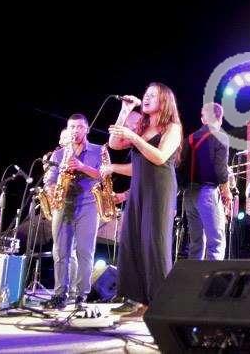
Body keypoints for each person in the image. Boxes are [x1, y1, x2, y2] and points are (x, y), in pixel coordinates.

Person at [105, 82, 182, 321]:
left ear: (164, 101)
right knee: (132, 240)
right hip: (139, 189)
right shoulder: (141, 126)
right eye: (145, 95)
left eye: (152, 95)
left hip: (160, 189)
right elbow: (114, 144)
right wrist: (125, 110)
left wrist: (133, 138)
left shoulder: (173, 128)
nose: (146, 98)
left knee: (154, 243)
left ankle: (159, 302)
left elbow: (159, 157)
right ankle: (137, 299)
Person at [42, 114, 104, 310]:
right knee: (61, 252)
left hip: (88, 204)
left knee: (85, 252)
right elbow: (49, 179)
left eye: (79, 127)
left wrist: (82, 167)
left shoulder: (98, 150)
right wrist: (53, 190)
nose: (75, 131)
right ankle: (60, 294)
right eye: (72, 127)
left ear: (87, 129)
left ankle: (81, 296)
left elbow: (103, 175)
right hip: (62, 204)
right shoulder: (59, 154)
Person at [177, 102, 232, 261]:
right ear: (220, 118)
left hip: (188, 196)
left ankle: (195, 276)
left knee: (196, 243)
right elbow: (221, 169)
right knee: (216, 242)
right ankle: (213, 276)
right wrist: (226, 192)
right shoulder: (221, 137)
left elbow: (179, 168)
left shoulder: (189, 139)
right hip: (207, 193)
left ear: (203, 119)